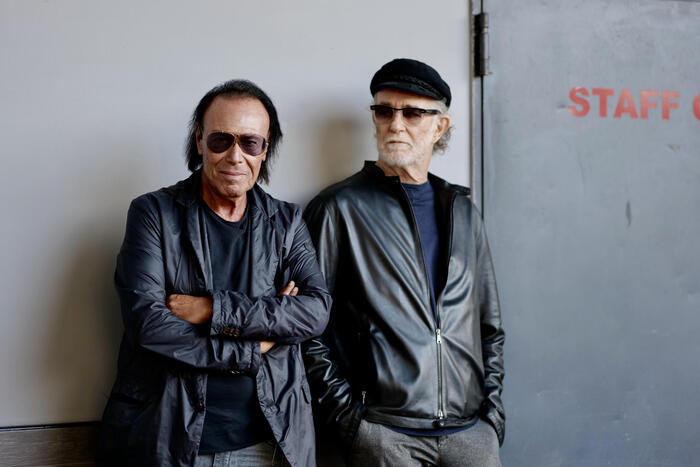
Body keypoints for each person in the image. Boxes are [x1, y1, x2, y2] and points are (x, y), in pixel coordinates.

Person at [98, 79, 331, 467]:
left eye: (250, 142)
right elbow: (150, 325)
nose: (235, 156)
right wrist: (254, 346)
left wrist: (212, 310)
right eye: (222, 140)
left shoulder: (287, 222)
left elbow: (315, 311)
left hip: (269, 440)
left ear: (265, 149)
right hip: (171, 442)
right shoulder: (153, 214)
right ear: (200, 140)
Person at [303, 58, 504, 466]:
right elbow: (306, 327)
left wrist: (492, 417)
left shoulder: (464, 212)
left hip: (470, 434)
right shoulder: (338, 208)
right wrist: (351, 422)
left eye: (412, 113)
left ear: (439, 127)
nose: (395, 124)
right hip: (384, 435)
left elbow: (490, 327)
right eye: (384, 111)